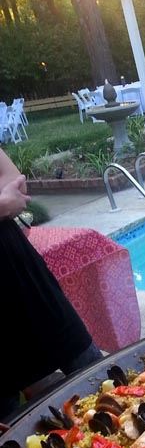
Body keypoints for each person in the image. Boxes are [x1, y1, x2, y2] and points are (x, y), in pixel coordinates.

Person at [0, 148, 102, 422]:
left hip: (20, 273)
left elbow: (14, 183)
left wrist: (6, 201)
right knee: (9, 422)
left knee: (92, 368)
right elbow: (6, 199)